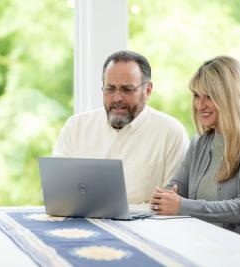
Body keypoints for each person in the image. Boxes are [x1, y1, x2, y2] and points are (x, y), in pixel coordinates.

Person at [150, 56, 240, 252]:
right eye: (196, 96)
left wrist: (181, 206)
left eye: (209, 96)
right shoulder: (200, 142)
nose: (200, 105)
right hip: (211, 243)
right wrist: (164, 198)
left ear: (231, 98)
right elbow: (177, 187)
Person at [53, 50, 189, 204]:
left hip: (144, 227)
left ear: (148, 90)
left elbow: (169, 205)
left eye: (127, 89)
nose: (117, 98)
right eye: (110, 89)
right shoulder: (76, 127)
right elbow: (58, 193)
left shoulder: (171, 133)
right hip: (81, 224)